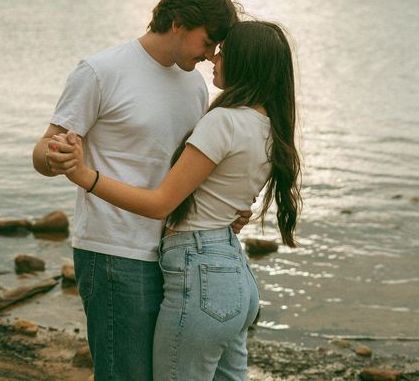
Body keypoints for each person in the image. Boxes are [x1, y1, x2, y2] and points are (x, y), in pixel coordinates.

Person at [49, 20, 302, 381]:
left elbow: (160, 204)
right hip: (235, 275)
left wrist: (83, 175)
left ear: (244, 61)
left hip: (201, 274)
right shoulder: (268, 126)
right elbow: (222, 193)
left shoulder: (225, 121)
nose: (213, 57)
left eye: (223, 51)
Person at [32, 0, 248, 381]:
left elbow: (186, 172)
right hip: (114, 254)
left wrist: (226, 209)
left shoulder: (195, 88)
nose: (211, 53)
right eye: (208, 40)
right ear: (179, 21)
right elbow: (43, 150)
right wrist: (57, 158)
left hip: (178, 255)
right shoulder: (100, 71)